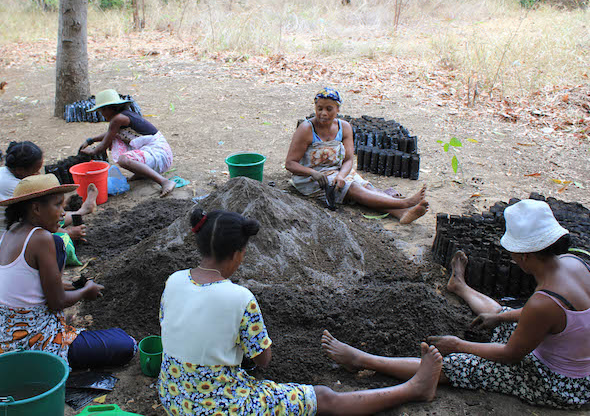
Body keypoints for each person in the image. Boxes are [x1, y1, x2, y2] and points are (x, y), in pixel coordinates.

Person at [157, 208, 445, 416]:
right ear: (236, 254)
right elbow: (263, 359)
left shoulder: (173, 280)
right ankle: (415, 389)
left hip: (173, 393)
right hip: (213, 407)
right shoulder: (239, 298)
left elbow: (174, 327)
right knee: (323, 398)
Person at [321, 199, 590, 409]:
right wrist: (502, 318)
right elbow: (555, 318)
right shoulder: (574, 264)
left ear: (525, 256)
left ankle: (364, 360)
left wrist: (457, 344)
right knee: (502, 314)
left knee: (458, 364)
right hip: (573, 360)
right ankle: (460, 286)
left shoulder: (543, 303)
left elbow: (511, 355)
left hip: (560, 383)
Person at [0, 174, 136, 368]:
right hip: (34, 348)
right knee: (127, 344)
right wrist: (85, 292)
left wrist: (73, 285)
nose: (62, 212)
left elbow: (32, 285)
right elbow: (57, 302)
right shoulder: (41, 239)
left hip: (4, 344)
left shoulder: (11, 231)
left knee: (59, 241)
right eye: (57, 205)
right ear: (36, 208)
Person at [285, 88, 428, 224]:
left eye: (329, 109)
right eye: (319, 108)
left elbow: (348, 160)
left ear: (338, 109)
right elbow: (290, 163)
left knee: (367, 188)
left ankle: (402, 213)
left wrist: (341, 175)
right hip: (311, 178)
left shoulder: (344, 127)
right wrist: (313, 173)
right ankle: (405, 203)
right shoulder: (306, 129)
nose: (323, 113)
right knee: (353, 188)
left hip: (337, 171)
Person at [0, 141, 97, 272]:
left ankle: (82, 210)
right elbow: (38, 219)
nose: (38, 175)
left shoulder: (2, 172)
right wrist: (69, 233)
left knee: (54, 214)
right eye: (35, 171)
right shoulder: (11, 186)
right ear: (20, 170)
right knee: (60, 243)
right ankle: (80, 214)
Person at [79, 89, 176, 197]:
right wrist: (90, 140)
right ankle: (142, 173)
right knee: (117, 140)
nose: (101, 114)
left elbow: (103, 146)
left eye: (101, 111)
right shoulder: (122, 117)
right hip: (153, 151)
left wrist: (91, 152)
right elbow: (110, 134)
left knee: (124, 160)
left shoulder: (118, 119)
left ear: (108, 108)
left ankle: (164, 181)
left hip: (160, 153)